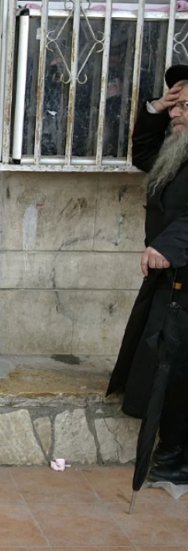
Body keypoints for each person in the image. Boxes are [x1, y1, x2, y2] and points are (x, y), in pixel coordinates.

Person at [109, 64, 188, 485]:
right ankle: (171, 452)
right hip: (170, 276)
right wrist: (157, 108)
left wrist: (168, 245)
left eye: (184, 106)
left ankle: (177, 456)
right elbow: (143, 156)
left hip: (179, 271)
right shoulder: (179, 148)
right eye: (176, 105)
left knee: (179, 367)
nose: (176, 114)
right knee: (163, 361)